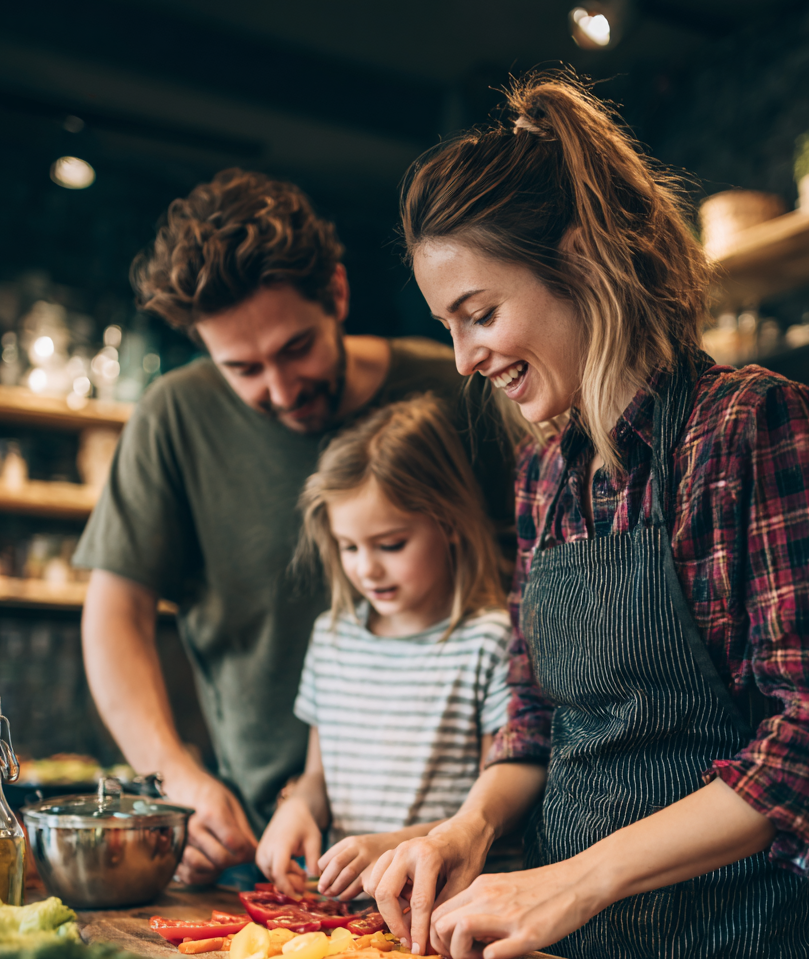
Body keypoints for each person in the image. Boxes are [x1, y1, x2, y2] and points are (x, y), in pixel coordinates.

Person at [364, 74, 809, 959]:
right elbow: (533, 713)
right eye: (448, 327)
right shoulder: (542, 474)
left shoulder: (756, 431)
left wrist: (576, 878)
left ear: (580, 262)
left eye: (477, 312)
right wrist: (465, 831)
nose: (464, 357)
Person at [74, 170, 515, 886]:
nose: (279, 391)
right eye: (242, 369)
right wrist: (175, 779)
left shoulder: (460, 388)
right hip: (257, 847)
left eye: (296, 348)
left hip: (455, 856)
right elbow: (114, 618)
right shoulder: (173, 417)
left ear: (336, 294)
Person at [256, 395, 513, 899]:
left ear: (450, 523)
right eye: (349, 547)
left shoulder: (488, 641)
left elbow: (492, 813)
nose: (366, 569)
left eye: (390, 544)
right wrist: (298, 808)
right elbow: (317, 778)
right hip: (346, 910)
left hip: (442, 906)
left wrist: (392, 846)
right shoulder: (332, 638)